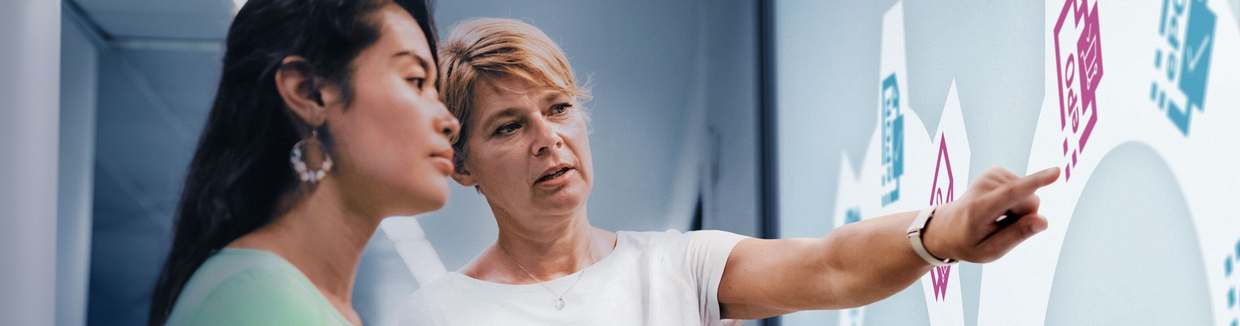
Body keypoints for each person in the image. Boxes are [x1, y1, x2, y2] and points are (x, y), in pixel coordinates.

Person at [401, 17, 1059, 325]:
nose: (549, 139)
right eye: (510, 126)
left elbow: (830, 266)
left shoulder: (674, 269)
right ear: (462, 166)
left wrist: (941, 234)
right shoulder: (434, 314)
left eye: (559, 108)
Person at [147, 0, 458, 324]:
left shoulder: (294, 297)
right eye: (416, 81)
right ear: (308, 92)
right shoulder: (258, 295)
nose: (449, 121)